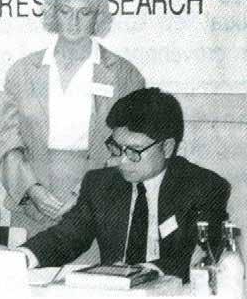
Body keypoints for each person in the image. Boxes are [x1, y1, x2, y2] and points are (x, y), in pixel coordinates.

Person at [19, 88, 230, 282]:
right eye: (117, 148)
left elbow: (199, 254)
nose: (122, 161)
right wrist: (21, 258)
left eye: (134, 151)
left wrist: (140, 273)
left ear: (166, 147)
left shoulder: (204, 187)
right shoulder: (100, 184)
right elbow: (66, 237)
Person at [0, 0, 145, 238]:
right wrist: (32, 191)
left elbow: (131, 147)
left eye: (84, 13)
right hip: (31, 204)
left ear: (97, 16)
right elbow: (8, 143)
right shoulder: (22, 71)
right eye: (66, 11)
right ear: (54, 14)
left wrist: (84, 193)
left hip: (98, 202)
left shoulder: (124, 74)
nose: (74, 21)